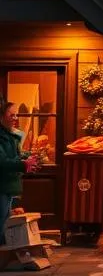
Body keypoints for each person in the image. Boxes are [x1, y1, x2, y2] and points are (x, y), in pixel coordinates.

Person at [0, 101, 38, 248]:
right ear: (1, 116)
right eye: (11, 114)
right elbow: (2, 161)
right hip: (2, 185)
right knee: (1, 221)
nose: (15, 117)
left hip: (8, 185)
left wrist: (27, 157)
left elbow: (13, 156)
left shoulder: (10, 135)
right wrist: (23, 164)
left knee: (5, 221)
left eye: (16, 114)